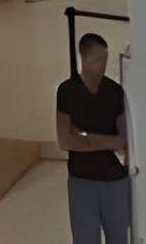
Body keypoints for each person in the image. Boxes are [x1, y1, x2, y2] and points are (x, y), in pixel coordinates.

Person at [56, 29, 133, 244]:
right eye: (98, 59)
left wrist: (85, 137)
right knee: (84, 239)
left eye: (105, 59)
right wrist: (107, 141)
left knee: (118, 238)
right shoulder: (67, 91)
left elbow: (123, 140)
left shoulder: (115, 92)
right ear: (83, 58)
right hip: (82, 181)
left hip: (115, 182)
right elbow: (65, 140)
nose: (103, 64)